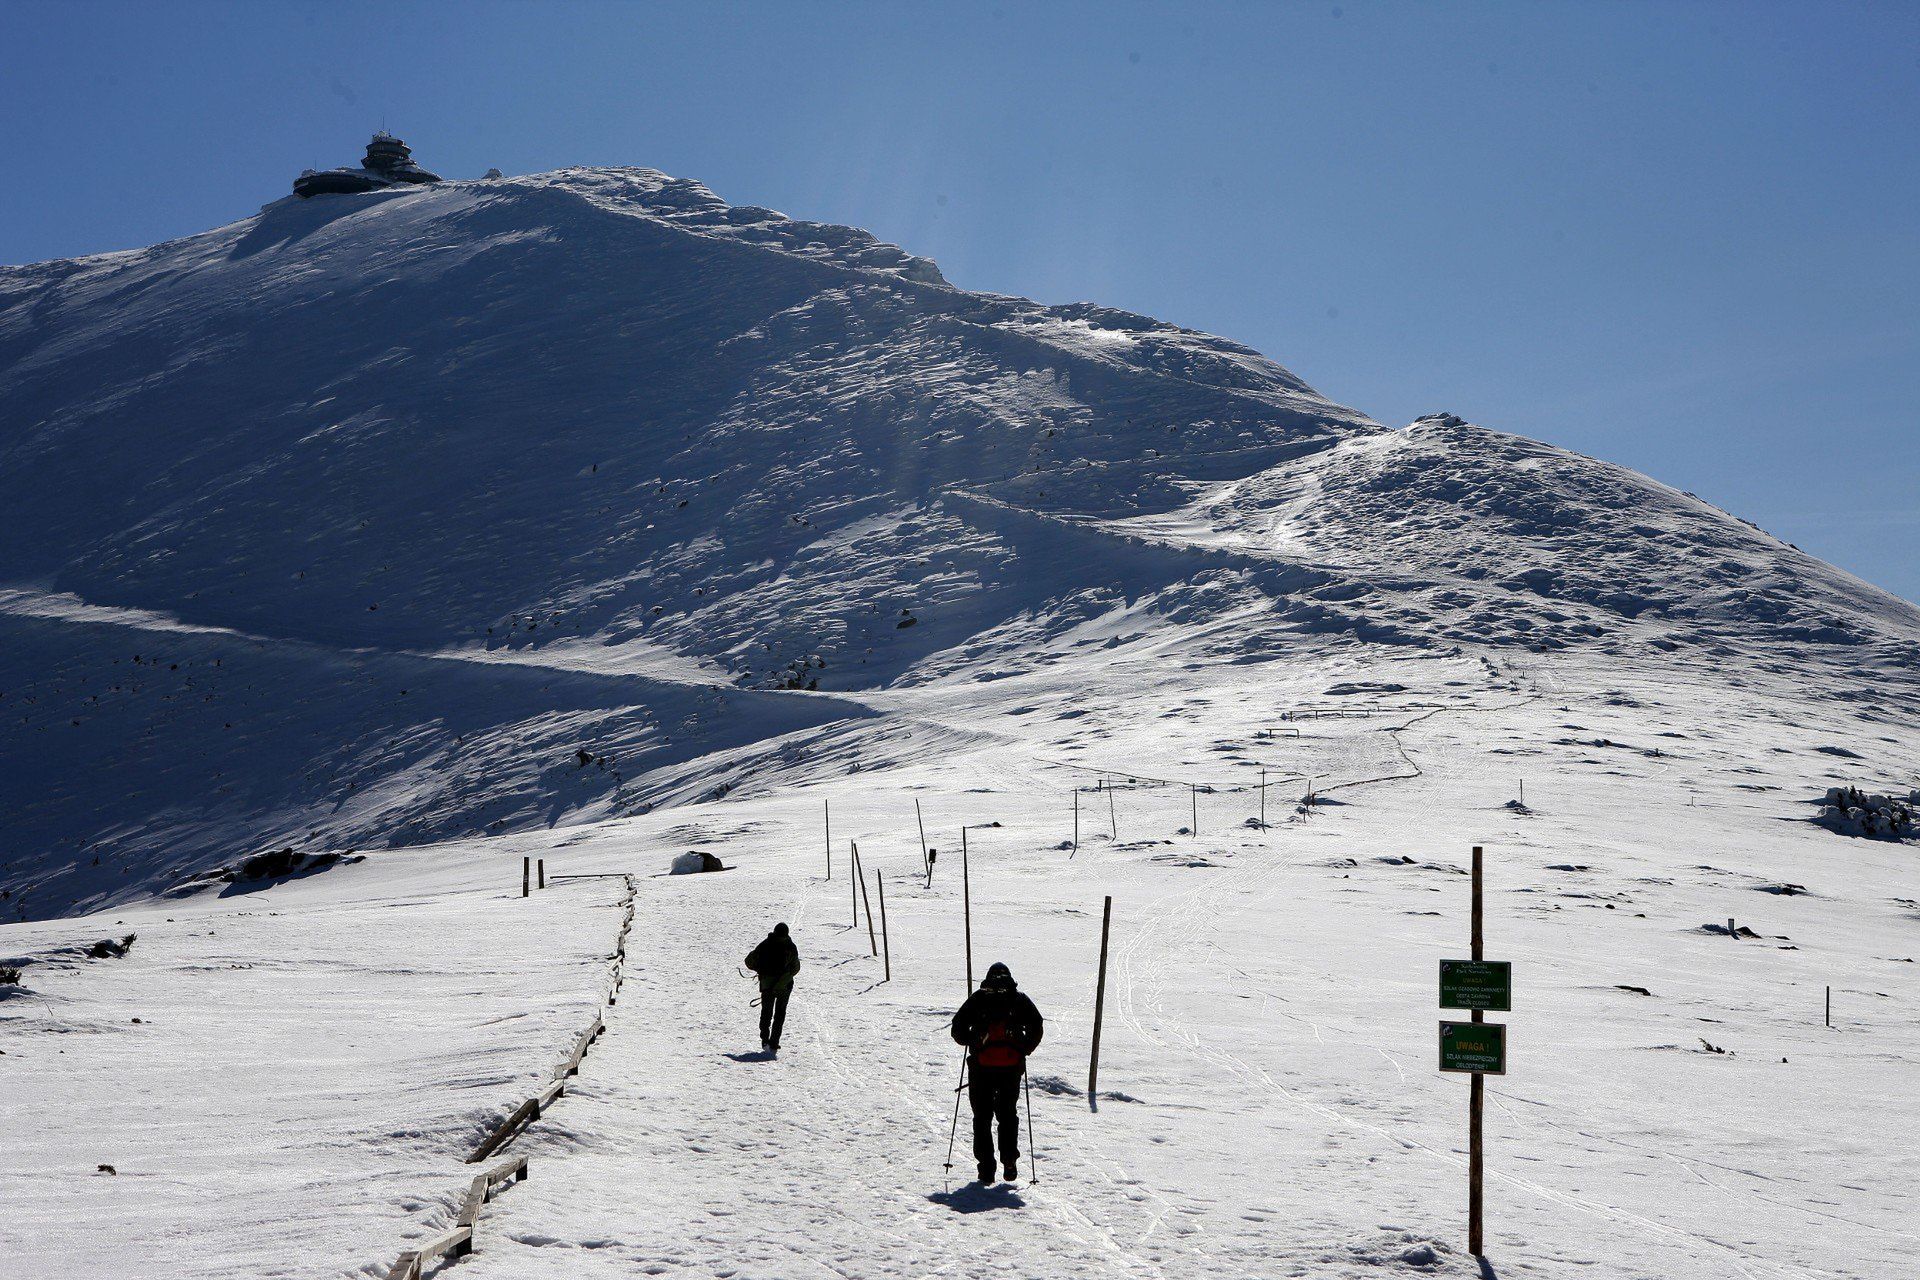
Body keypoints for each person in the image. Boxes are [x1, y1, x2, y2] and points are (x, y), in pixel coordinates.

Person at [950, 961, 1044, 1183]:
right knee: (1007, 1116)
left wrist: (975, 1040)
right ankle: (1009, 1161)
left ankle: (986, 1169)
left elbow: (957, 1030)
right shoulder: (1019, 999)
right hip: (1011, 1070)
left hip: (981, 1070)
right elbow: (1037, 1026)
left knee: (982, 1117)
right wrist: (1023, 1048)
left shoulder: (979, 999)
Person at [744, 922, 800, 1053]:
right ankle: (774, 1042)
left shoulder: (765, 944)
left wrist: (761, 970)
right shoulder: (791, 947)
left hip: (767, 985)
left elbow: (749, 961)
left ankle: (765, 1039)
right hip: (784, 986)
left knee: (766, 1013)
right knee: (780, 1014)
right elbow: (796, 968)